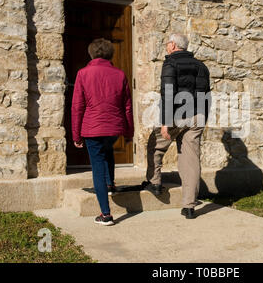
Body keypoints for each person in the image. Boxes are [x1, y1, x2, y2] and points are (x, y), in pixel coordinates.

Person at [144, 33, 211, 219]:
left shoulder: (170, 63)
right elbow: (207, 93)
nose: (167, 46)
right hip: (197, 116)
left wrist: (165, 123)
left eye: (167, 43)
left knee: (155, 146)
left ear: (173, 45)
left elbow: (168, 92)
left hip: (176, 116)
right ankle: (189, 206)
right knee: (191, 160)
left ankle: (155, 182)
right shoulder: (202, 66)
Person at [72, 38, 134, 226]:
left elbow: (77, 106)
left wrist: (76, 135)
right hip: (114, 127)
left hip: (92, 128)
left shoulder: (83, 73)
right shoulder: (120, 74)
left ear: (91, 54)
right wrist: (129, 132)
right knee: (108, 150)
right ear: (110, 54)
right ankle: (110, 184)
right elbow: (127, 106)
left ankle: (106, 214)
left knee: (97, 167)